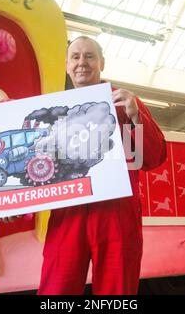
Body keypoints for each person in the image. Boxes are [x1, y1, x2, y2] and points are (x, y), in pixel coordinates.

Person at [37, 36, 167, 295]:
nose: (81, 63)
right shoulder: (54, 111)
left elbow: (154, 157)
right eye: (75, 57)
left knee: (116, 288)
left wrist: (136, 117)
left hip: (116, 212)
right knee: (57, 288)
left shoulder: (125, 103)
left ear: (102, 63)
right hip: (68, 211)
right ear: (66, 65)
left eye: (89, 56)